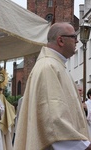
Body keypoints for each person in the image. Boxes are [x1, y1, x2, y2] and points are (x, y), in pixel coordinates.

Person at [14, 22, 91, 150]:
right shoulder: (48, 67)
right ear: (61, 40)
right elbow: (52, 120)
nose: (77, 41)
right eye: (73, 37)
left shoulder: (56, 65)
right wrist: (83, 146)